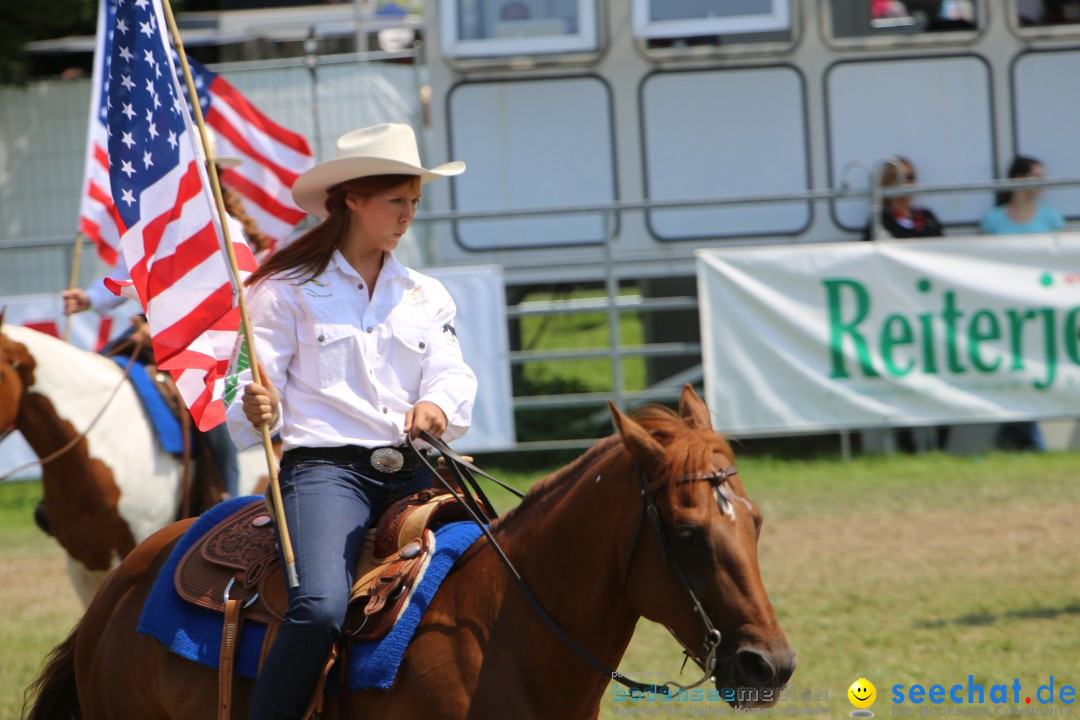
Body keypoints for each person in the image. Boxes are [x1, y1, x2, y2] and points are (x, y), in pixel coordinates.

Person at [226, 122, 477, 720]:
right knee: (319, 607)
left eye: (414, 201)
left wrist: (438, 405)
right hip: (325, 472)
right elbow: (248, 380)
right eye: (396, 200)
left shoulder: (426, 293)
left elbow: (451, 371)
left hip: (415, 461)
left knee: (506, 564)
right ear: (351, 200)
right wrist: (258, 405)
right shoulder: (282, 289)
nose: (408, 214)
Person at [62, 131, 254, 497]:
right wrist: (86, 299)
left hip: (207, 344)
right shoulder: (149, 225)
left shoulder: (226, 229)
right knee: (92, 380)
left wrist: (171, 330)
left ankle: (229, 492)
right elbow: (127, 273)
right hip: (149, 334)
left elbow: (235, 298)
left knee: (209, 405)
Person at [980, 155, 1064, 453]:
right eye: (1034, 176)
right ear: (1017, 179)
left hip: (1042, 308)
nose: (1040, 183)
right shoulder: (993, 220)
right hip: (1006, 310)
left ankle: (1019, 437)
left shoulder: (1050, 219)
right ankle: (1023, 436)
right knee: (1014, 371)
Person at [864, 156, 944, 240]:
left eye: (910, 177)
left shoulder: (927, 216)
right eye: (898, 178)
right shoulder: (879, 221)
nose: (905, 183)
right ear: (887, 182)